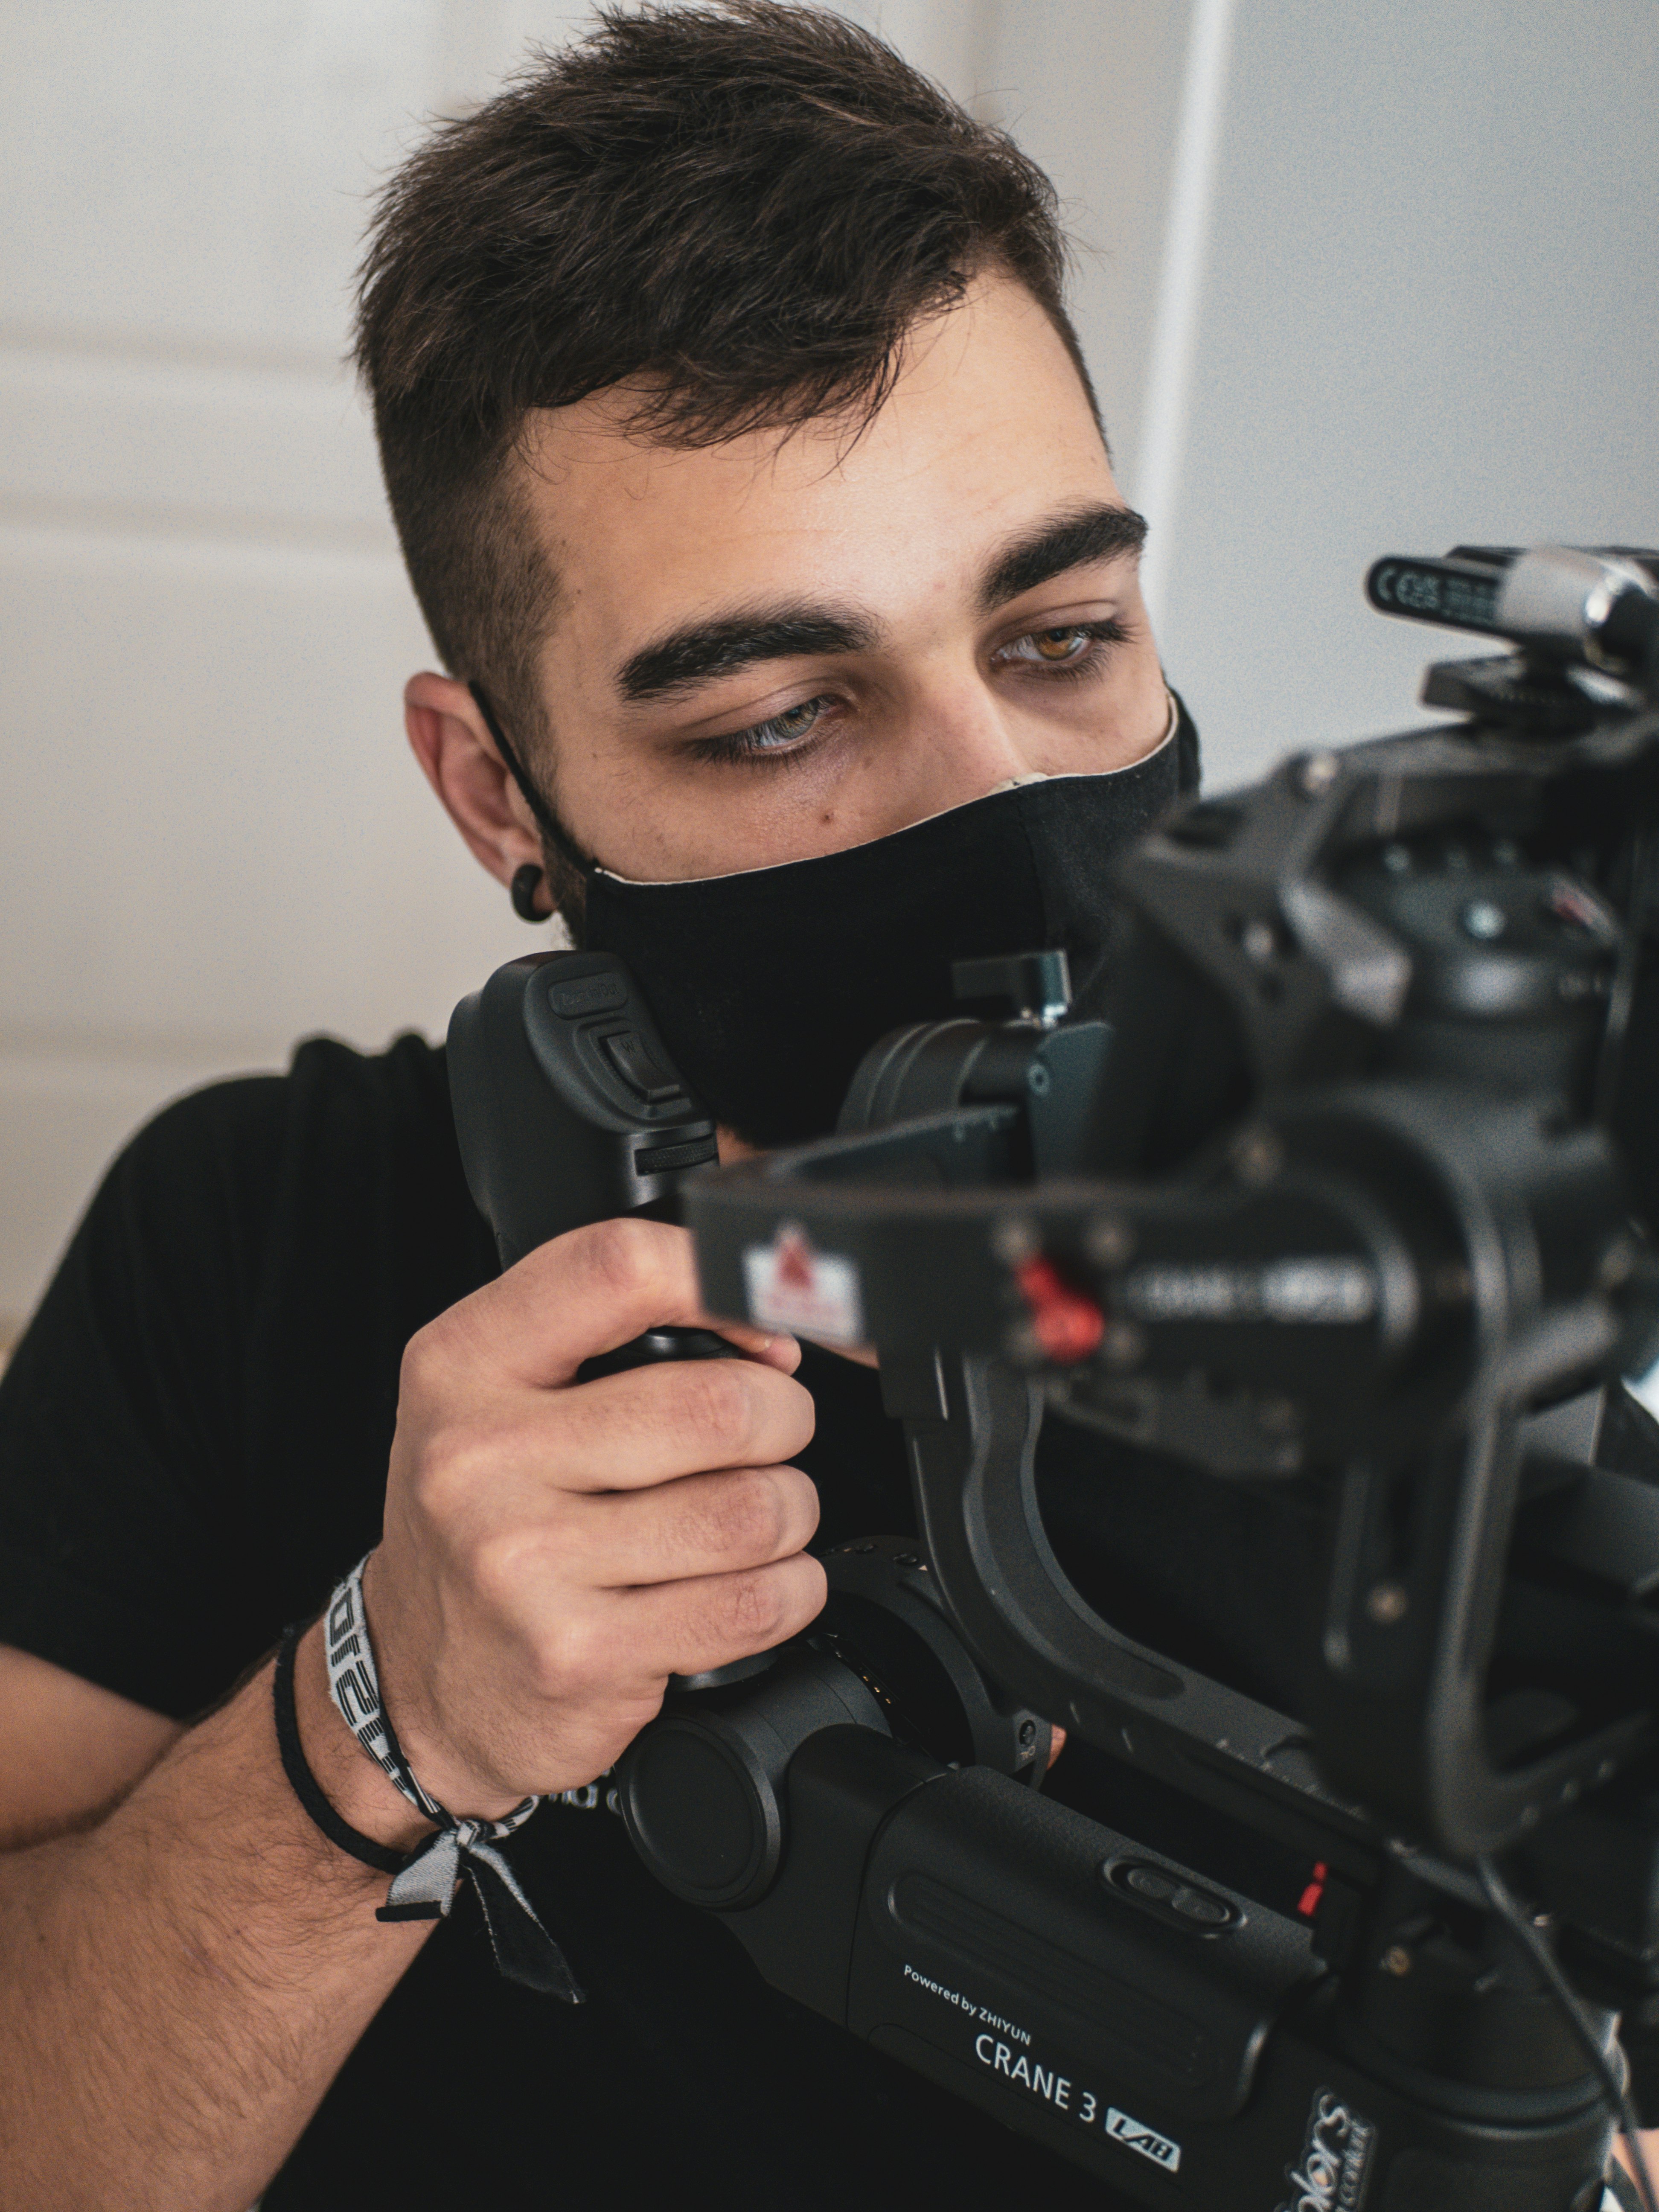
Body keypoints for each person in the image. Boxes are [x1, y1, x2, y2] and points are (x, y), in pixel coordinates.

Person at [0, 7, 1646, 2208]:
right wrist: (369, 1730)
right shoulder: (253, 1222)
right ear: (500, 787)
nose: (1000, 798)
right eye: (781, 722)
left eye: (1063, 636)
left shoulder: (1445, 1326)